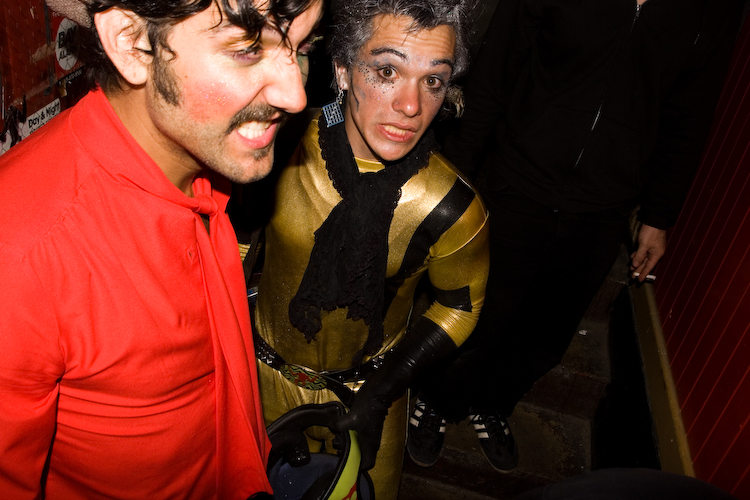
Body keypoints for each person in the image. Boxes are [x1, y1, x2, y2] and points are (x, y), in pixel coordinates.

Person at [0, 0, 323, 497]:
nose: (295, 95)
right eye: (247, 48)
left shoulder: (204, 158)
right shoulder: (22, 256)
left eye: (301, 47)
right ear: (131, 43)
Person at [407, 0, 743, 474]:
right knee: (480, 310)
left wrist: (659, 215)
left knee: (546, 331)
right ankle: (438, 400)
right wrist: (455, 172)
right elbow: (497, 69)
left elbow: (689, 115)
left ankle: (493, 402)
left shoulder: (712, 11)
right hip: (518, 177)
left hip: (606, 204)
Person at [250, 0, 488, 498]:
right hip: (257, 377)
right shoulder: (276, 146)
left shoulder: (449, 205)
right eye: (387, 71)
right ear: (342, 70)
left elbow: (460, 307)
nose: (410, 106)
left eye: (433, 80)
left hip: (370, 396)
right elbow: (228, 244)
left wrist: (381, 393)